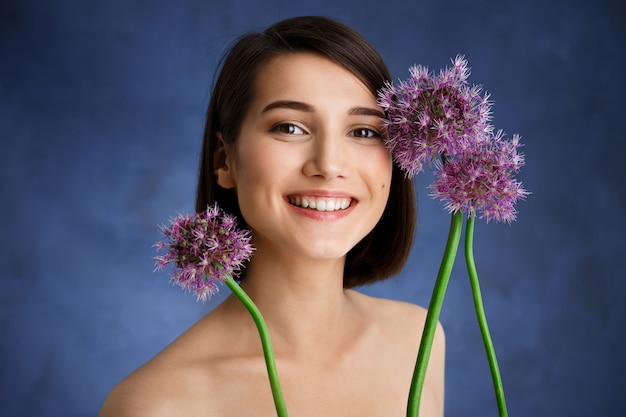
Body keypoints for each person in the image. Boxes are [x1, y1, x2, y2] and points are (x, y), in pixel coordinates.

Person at [98, 16, 445, 417]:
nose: (329, 165)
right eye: (290, 127)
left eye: (364, 131)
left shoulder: (420, 340)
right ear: (225, 160)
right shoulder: (156, 405)